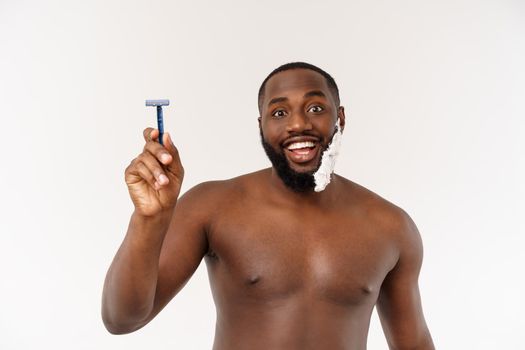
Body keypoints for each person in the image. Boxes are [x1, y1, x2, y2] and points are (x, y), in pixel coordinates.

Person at [102, 62, 435, 349]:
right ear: (261, 125)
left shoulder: (391, 227)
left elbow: (414, 344)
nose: (298, 124)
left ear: (340, 117)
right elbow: (122, 319)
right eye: (279, 112)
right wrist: (149, 219)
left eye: (316, 108)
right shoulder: (213, 207)